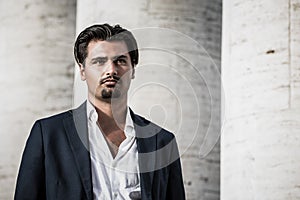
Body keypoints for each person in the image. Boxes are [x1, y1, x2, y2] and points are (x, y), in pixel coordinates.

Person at [15, 23, 185, 200]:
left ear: (133, 69)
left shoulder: (163, 142)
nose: (111, 70)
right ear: (82, 70)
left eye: (120, 61)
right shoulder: (48, 134)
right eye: (99, 61)